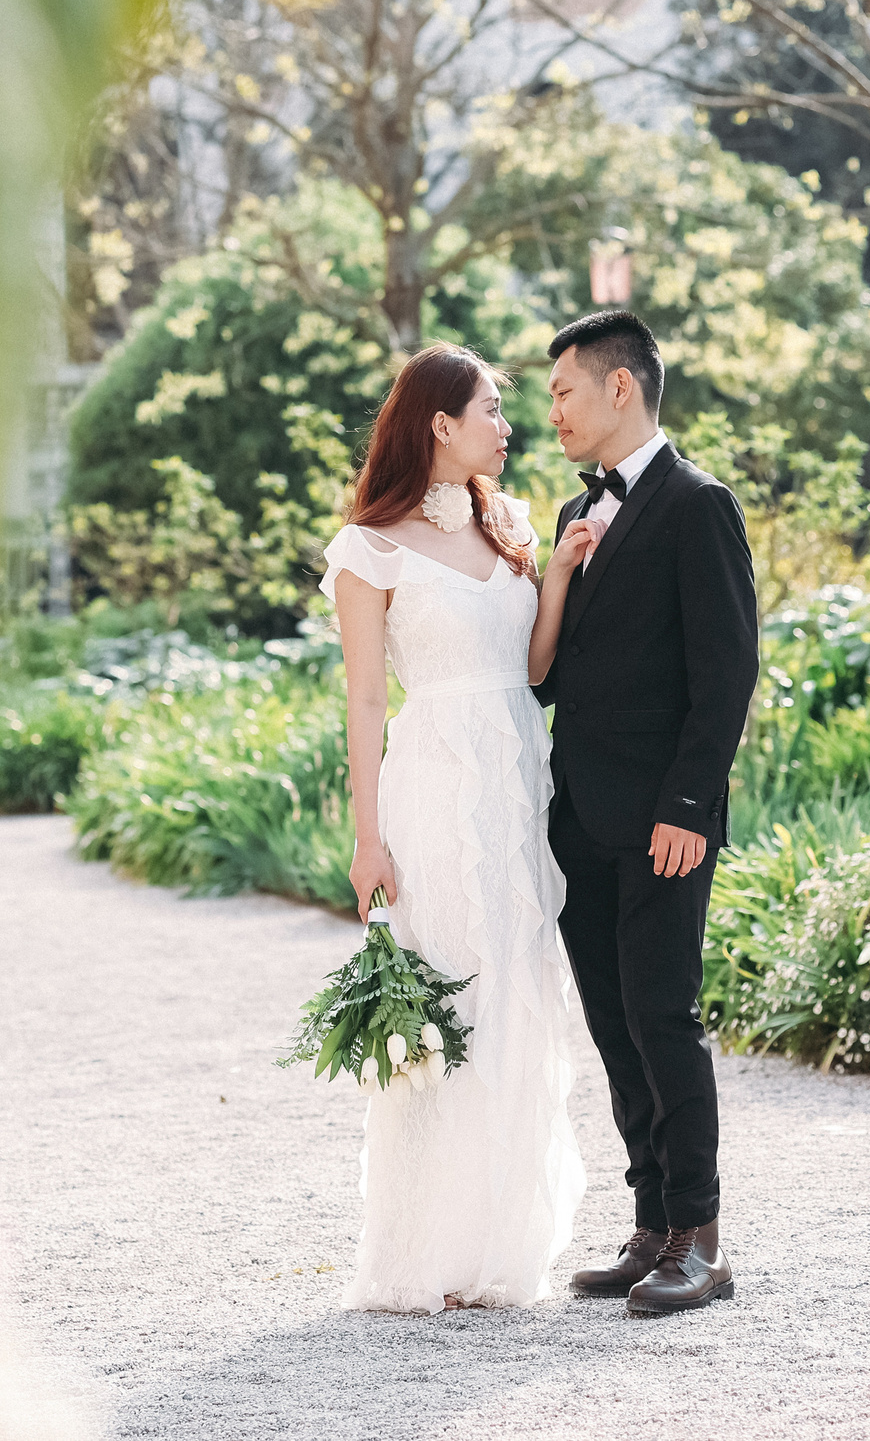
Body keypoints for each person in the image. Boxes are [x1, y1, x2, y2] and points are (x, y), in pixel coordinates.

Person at [321, 343, 590, 1313]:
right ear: (440, 423)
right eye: (491, 407)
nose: (508, 424)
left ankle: (500, 1244)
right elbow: (361, 703)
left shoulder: (507, 525)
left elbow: (528, 667)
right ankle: (424, 1250)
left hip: (517, 779)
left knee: (516, 994)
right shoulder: (369, 549)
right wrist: (367, 840)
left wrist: (553, 572)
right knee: (450, 997)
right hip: (432, 784)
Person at [533, 309, 756, 1317]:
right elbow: (558, 677)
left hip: (663, 822)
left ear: (619, 388)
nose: (554, 413)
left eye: (564, 391)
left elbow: (726, 674)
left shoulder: (698, 504)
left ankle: (702, 1238)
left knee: (663, 1019)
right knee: (615, 1028)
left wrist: (687, 805)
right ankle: (651, 1225)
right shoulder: (580, 512)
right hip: (581, 820)